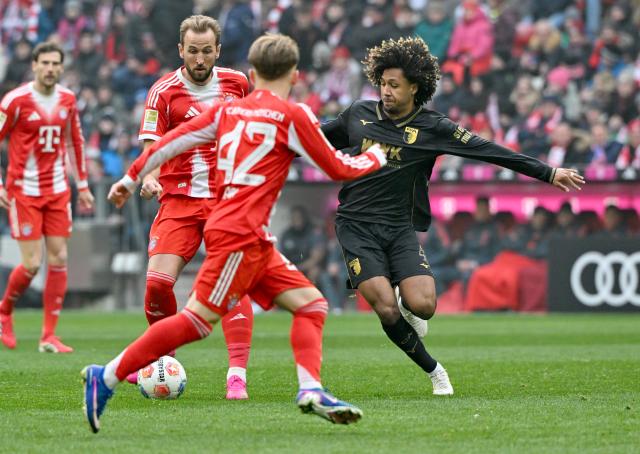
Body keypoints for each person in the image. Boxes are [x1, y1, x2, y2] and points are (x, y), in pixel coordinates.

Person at [81, 33, 387, 433]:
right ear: (295, 74)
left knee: (312, 305)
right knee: (198, 321)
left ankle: (311, 389)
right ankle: (105, 377)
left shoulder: (228, 111)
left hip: (248, 234)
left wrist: (129, 177)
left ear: (254, 73)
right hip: (239, 234)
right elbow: (338, 169)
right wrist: (376, 156)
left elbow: (172, 141)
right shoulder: (294, 116)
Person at [320, 36, 585, 396]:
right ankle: (434, 371)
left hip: (398, 228)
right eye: (383, 83)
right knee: (383, 306)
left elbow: (489, 151)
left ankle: (407, 302)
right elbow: (312, 140)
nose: (386, 91)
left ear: (415, 87)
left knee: (424, 306)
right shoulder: (357, 114)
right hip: (355, 225)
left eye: (394, 85)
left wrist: (547, 173)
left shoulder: (434, 127)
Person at [130, 15, 254, 400]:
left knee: (232, 283)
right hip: (179, 200)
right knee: (156, 285)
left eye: (207, 51)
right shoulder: (163, 91)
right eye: (193, 51)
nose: (200, 59)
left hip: (226, 200)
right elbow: (150, 148)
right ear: (181, 50)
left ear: (217, 50)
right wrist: (148, 177)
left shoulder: (237, 84)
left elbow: (254, 131)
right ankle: (164, 360)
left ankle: (237, 375)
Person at [0, 42, 94, 352]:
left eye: (56, 63)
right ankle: (4, 312)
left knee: (59, 258)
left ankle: (48, 336)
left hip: (57, 191)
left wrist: (82, 186)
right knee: (31, 265)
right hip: (23, 191)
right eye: (46, 63)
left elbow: (75, 143)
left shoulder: (68, 99)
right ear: (35, 65)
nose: (51, 68)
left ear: (61, 67)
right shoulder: (15, 101)